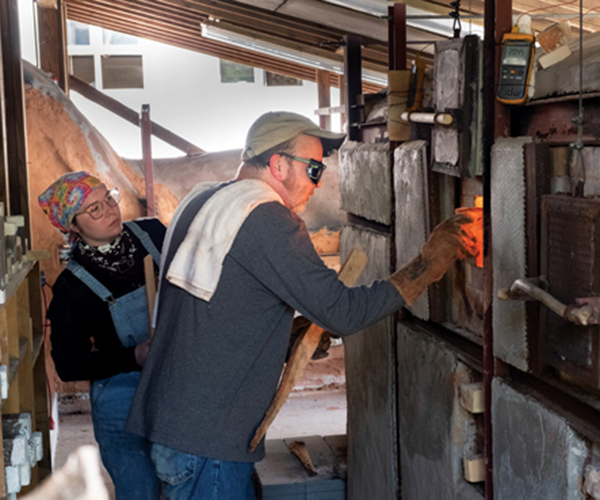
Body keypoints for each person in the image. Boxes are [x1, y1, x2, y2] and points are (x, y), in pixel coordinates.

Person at [126, 111, 479, 500]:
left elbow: (218, 308)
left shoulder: (203, 200)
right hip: (208, 438)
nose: (319, 181)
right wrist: (430, 263)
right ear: (278, 165)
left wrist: (287, 335)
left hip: (176, 424)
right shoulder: (264, 216)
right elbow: (342, 312)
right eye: (313, 169)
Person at [38, 172, 165, 500]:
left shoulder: (153, 234)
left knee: (188, 479)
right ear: (74, 227)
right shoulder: (72, 288)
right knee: (140, 490)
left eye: (108, 198)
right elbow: (68, 366)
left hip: (175, 376)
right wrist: (133, 356)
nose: (110, 210)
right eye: (94, 209)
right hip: (121, 392)